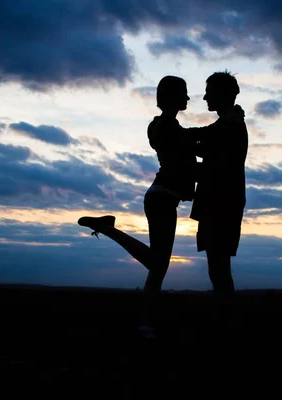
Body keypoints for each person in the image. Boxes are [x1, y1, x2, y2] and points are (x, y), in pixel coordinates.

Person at [78, 76, 201, 338]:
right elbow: (192, 161)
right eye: (184, 93)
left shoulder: (159, 126)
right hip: (164, 197)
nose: (188, 99)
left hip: (160, 196)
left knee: (158, 268)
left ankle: (147, 326)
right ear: (172, 97)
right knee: (158, 265)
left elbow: (186, 153)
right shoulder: (171, 129)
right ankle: (107, 228)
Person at [191, 71, 248, 326]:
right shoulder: (228, 124)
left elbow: (197, 141)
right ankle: (226, 323)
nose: (204, 97)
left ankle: (227, 326)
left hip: (221, 205)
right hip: (219, 203)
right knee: (218, 268)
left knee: (219, 268)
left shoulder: (231, 126)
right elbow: (201, 141)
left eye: (209, 91)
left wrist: (170, 131)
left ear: (223, 94)